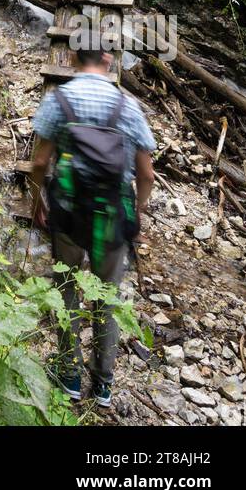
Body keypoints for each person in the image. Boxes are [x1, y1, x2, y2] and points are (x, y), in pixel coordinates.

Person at [30, 46, 156, 408]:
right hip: (112, 218)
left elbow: (40, 161)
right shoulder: (127, 106)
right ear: (108, 61)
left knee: (67, 289)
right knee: (107, 300)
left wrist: (38, 200)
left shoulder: (60, 100)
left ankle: (69, 375)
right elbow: (146, 173)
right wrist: (138, 210)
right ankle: (102, 384)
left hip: (69, 214)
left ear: (73, 59)